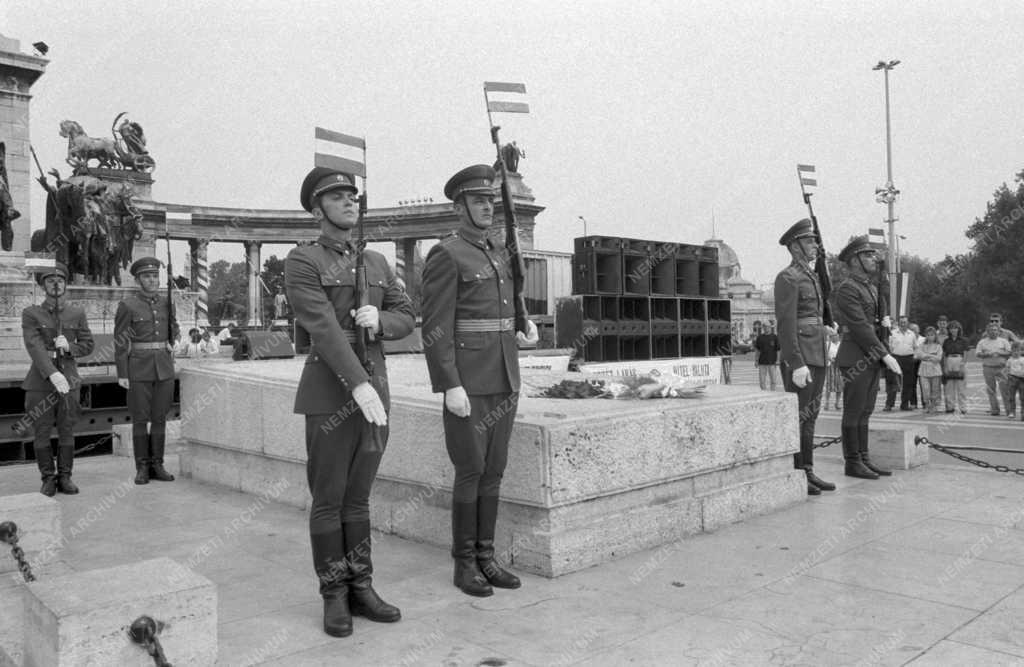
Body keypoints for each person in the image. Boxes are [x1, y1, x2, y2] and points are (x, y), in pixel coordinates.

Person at [286, 167, 415, 638]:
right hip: (330, 390)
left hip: (374, 390)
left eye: (352, 195)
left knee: (358, 498)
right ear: (318, 208)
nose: (349, 202)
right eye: (337, 196)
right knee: (329, 498)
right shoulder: (302, 261)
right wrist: (357, 383)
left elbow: (408, 316)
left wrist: (380, 319)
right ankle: (334, 593)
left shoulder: (377, 263)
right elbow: (320, 325)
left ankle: (362, 585)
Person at [421, 164, 539, 597]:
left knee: (495, 471)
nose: (487, 206)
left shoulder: (499, 250)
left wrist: (524, 324)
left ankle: (488, 558)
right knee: (470, 471)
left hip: (505, 375)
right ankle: (464, 563)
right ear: (459, 207)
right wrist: (448, 383)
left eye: (490, 199)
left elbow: (508, 301)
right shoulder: (447, 254)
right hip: (469, 382)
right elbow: (436, 325)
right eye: (478, 200)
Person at [833, 236, 903, 479]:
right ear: (854, 260)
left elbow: (872, 325)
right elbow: (861, 327)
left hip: (870, 357)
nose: (873, 259)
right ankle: (852, 462)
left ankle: (863, 457)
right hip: (855, 357)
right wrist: (885, 355)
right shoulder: (847, 288)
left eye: (873, 255)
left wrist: (884, 325)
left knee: (866, 410)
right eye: (867, 255)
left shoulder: (871, 288)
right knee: (853, 411)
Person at [22, 262, 94, 495]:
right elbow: (34, 346)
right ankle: (47, 478)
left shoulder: (76, 312)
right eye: (51, 281)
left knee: (66, 429)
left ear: (66, 285)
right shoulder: (31, 313)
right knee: (41, 431)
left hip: (69, 379)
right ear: (43, 286)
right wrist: (52, 373)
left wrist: (70, 347)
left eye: (60, 281)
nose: (56, 284)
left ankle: (65, 477)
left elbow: (88, 345)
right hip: (40, 382)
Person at [772, 218, 833, 496]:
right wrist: (795, 362)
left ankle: (808, 469)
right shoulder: (788, 277)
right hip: (802, 359)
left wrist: (825, 329)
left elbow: (813, 316)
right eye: (809, 241)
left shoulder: (811, 276)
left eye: (814, 240)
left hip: (817, 354)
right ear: (795, 246)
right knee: (799, 418)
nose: (815, 245)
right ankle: (799, 472)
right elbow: (786, 323)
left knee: (811, 417)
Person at [114, 257, 178, 486]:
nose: (152, 280)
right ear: (138, 279)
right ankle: (142, 467)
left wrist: (174, 340)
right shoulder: (128, 305)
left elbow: (174, 327)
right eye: (147, 276)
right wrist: (122, 373)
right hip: (138, 367)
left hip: (164, 366)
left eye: (154, 276)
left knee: (160, 418)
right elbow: (120, 340)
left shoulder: (166, 302)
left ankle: (157, 464)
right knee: (140, 419)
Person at [976, 322, 1012, 416]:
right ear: (987, 331)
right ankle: (995, 410)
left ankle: (1009, 410)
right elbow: (978, 354)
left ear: (998, 331)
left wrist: (1000, 353)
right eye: (991, 330)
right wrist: (987, 354)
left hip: (1002, 368)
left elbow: (1009, 353)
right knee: (991, 390)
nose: (993, 332)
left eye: (995, 330)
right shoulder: (982, 342)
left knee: (1005, 390)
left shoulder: (1003, 341)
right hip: (988, 368)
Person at [887, 316, 918, 411]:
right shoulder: (892, 333)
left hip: (908, 358)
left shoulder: (912, 334)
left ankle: (904, 404)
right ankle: (889, 404)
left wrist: (914, 357)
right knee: (893, 381)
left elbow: (915, 347)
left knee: (908, 383)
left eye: (904, 322)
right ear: (898, 323)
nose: (903, 324)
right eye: (901, 322)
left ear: (907, 323)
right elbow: (889, 347)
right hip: (896, 358)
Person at [942, 320, 969, 414]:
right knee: (949, 386)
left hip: (959, 360)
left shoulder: (964, 340)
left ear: (959, 329)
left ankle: (963, 407)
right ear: (949, 330)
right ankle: (950, 407)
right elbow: (944, 355)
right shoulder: (946, 341)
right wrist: (945, 367)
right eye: (951, 328)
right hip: (949, 360)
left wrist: (962, 365)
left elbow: (966, 354)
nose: (953, 330)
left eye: (955, 328)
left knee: (961, 387)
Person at [915, 327, 944, 414]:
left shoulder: (938, 346)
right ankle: (927, 404)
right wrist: (931, 356)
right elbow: (919, 355)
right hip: (923, 370)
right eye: (928, 335)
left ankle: (934, 405)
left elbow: (938, 358)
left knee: (935, 389)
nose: (930, 337)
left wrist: (927, 356)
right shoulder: (922, 345)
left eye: (932, 335)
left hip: (935, 370)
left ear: (935, 336)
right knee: (925, 389)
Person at [753, 324, 781, 391]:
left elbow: (778, 350)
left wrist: (778, 360)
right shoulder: (760, 337)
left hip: (772, 362)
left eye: (767, 327)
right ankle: (764, 392)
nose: (766, 328)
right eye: (765, 327)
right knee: (762, 381)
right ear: (763, 328)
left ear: (770, 327)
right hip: (762, 362)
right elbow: (757, 350)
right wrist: (756, 361)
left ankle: (773, 392)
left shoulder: (775, 337)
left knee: (773, 380)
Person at [825, 331, 843, 410]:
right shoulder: (827, 344)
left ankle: (837, 402)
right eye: (832, 336)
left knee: (840, 385)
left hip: (839, 366)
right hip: (830, 366)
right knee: (829, 384)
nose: (834, 337)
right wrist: (830, 359)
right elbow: (825, 354)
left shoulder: (841, 344)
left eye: (835, 335)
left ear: (838, 336)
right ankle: (827, 402)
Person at [1006, 342, 1024, 421]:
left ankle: (1023, 413)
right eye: (1014, 351)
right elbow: (1007, 369)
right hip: (1012, 379)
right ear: (1011, 351)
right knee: (1011, 397)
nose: (1016, 353)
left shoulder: (1023, 359)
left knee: (1022, 397)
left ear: (1021, 351)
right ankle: (1012, 412)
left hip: (1022, 380)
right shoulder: (1009, 360)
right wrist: (1008, 376)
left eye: (1018, 351)